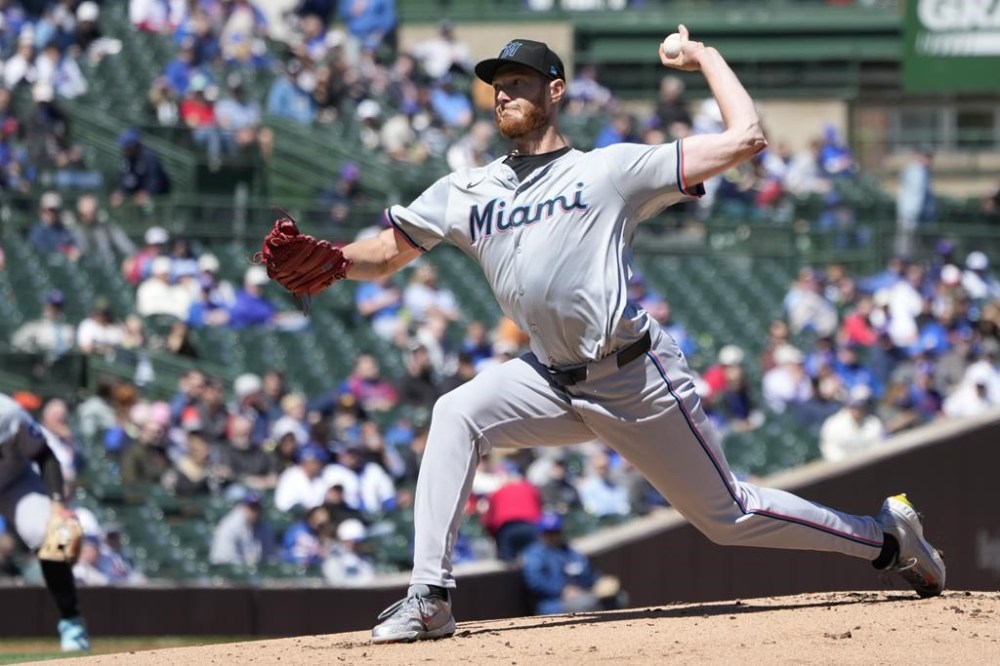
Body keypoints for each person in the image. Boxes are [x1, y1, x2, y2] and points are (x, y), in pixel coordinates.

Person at [265, 31, 946, 643]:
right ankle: (431, 595)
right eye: (497, 84)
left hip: (633, 376)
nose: (504, 92)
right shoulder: (467, 189)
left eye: (521, 81)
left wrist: (705, 56)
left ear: (555, 91)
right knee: (456, 412)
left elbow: (747, 139)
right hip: (548, 377)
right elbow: (388, 250)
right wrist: (334, 260)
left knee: (727, 516)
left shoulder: (609, 170)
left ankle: (887, 541)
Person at [0, 393, 91, 651]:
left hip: (15, 484)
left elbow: (44, 455)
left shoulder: (8, 413)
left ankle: (72, 622)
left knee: (52, 535)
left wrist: (57, 505)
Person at [521, 512, 622, 616]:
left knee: (617, 598)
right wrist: (562, 590)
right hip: (553, 603)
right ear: (541, 534)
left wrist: (599, 581)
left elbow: (588, 573)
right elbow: (534, 582)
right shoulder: (536, 554)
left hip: (583, 596)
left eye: (555, 532)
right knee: (587, 604)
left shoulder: (569, 552)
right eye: (548, 533)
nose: (552, 536)